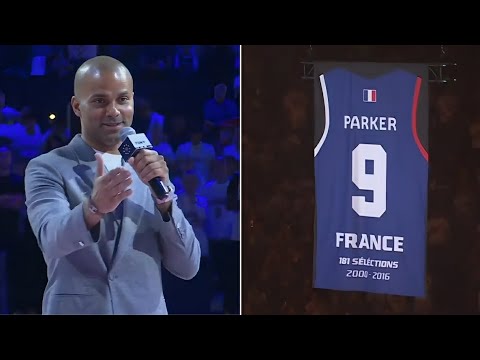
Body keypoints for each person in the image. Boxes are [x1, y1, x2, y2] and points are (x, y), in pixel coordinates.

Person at [24, 55, 201, 315]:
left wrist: (165, 204)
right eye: (99, 100)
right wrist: (93, 208)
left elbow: (188, 267)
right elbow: (51, 241)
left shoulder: (150, 168)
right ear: (76, 106)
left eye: (122, 99)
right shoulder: (47, 166)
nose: (114, 111)